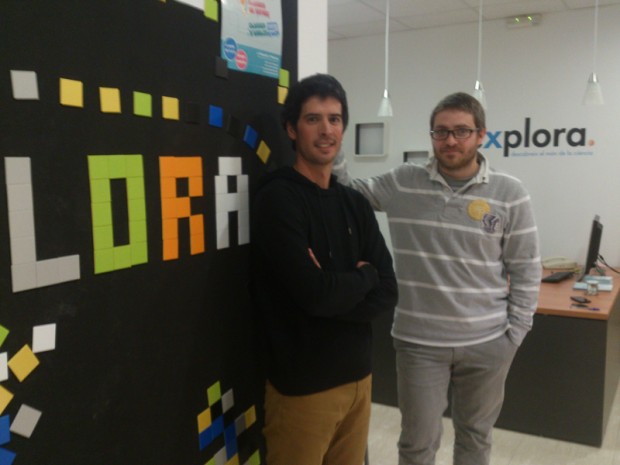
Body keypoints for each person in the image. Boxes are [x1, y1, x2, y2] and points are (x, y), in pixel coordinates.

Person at [333, 92, 541, 465]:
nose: (450, 140)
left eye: (461, 131)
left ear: (481, 135)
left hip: (488, 342)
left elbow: (526, 267)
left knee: (475, 439)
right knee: (417, 444)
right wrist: (333, 143)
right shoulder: (403, 182)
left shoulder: (510, 192)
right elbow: (346, 194)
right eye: (441, 132)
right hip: (419, 344)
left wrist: (515, 334)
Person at [251, 73, 398, 465]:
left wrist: (333, 289)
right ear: (292, 129)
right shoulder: (278, 199)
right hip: (303, 387)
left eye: (334, 119)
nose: (326, 130)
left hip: (359, 379)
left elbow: (388, 289)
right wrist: (363, 276)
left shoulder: (355, 203)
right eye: (313, 119)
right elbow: (315, 295)